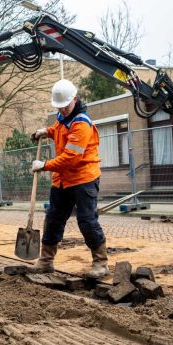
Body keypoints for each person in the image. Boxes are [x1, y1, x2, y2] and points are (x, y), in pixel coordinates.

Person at [31, 79, 108, 278]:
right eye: (59, 107)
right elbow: (59, 130)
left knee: (87, 220)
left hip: (83, 178)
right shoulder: (63, 116)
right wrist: (46, 131)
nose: (62, 110)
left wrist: (45, 166)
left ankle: (101, 264)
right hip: (62, 180)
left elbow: (71, 158)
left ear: (74, 99)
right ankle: (46, 261)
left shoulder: (82, 123)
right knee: (54, 219)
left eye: (65, 106)